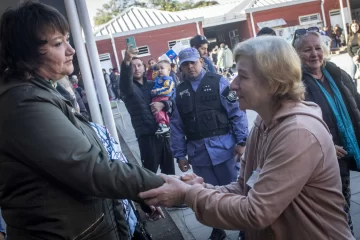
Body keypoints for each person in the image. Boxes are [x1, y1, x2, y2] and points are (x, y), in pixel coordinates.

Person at [139, 36, 355, 240]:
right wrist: (200, 188)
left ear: (273, 82)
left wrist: (187, 195)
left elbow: (255, 212)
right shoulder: (264, 123)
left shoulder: (297, 132)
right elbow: (246, 187)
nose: (233, 84)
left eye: (242, 76)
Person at [0, 2, 165, 239]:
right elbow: (91, 169)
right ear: (26, 54)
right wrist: (162, 184)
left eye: (67, 39)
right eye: (58, 43)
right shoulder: (24, 104)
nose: (71, 49)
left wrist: (136, 192)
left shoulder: (44, 92)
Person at [170, 47, 248, 240]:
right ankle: (217, 228)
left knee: (235, 190)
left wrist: (242, 140)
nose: (190, 67)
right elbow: (177, 126)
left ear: (201, 62)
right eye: (185, 64)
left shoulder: (219, 82)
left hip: (225, 150)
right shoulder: (179, 92)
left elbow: (237, 113)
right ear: (181, 67)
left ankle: (245, 227)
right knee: (206, 194)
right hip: (199, 155)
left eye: (193, 63)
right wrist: (180, 155)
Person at [294, 31, 360, 235]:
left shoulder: (336, 74)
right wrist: (325, 144)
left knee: (344, 200)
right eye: (307, 49)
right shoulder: (296, 84)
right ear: (296, 54)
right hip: (323, 159)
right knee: (335, 209)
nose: (314, 54)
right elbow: (297, 125)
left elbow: (356, 104)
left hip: (348, 150)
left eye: (318, 48)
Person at [119, 47, 177, 176]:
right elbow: (124, 82)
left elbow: (172, 100)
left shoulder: (154, 84)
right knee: (149, 175)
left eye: (139, 65)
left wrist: (163, 104)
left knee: (170, 174)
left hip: (164, 134)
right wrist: (126, 62)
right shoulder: (128, 89)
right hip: (147, 136)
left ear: (144, 68)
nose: (137, 68)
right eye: (133, 66)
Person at [151, 60, 175, 134]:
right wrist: (155, 69)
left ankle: (163, 124)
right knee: (158, 111)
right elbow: (153, 76)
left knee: (159, 111)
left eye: (162, 68)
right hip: (158, 96)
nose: (159, 70)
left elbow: (168, 89)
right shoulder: (159, 78)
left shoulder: (168, 79)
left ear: (168, 70)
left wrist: (157, 91)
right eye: (158, 69)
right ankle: (165, 125)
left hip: (163, 97)